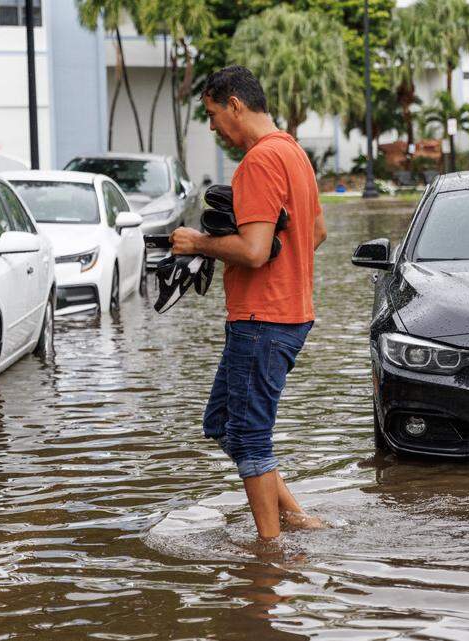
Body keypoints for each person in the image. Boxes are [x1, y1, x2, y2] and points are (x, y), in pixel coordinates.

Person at [169, 65, 327, 540]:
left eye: (214, 115)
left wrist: (199, 243)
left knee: (251, 435)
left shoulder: (259, 161)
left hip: (264, 320)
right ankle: (295, 517)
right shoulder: (294, 152)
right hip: (288, 315)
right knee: (221, 423)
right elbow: (315, 233)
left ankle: (270, 550)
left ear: (235, 104)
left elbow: (255, 252)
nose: (214, 127)